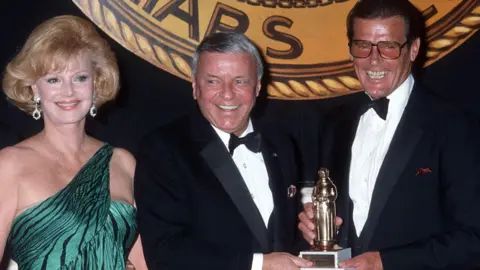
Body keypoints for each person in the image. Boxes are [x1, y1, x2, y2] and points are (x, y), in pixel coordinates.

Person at [298, 0, 480, 269]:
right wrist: (316, 228)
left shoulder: (455, 126)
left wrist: (386, 262)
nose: (374, 59)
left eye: (388, 47)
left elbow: (473, 239)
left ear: (413, 49)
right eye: (362, 46)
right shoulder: (334, 123)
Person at [134, 32, 311, 270]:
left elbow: (283, 238)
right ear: (195, 87)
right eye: (213, 81)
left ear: (258, 87)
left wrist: (310, 233)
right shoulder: (163, 149)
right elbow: (165, 253)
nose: (227, 94)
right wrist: (257, 265)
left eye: (240, 81)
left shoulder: (281, 143)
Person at [0, 15, 147, 269]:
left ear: (96, 82)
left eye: (80, 78)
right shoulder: (10, 164)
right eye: (53, 80)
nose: (68, 92)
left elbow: (142, 262)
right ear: (35, 88)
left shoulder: (122, 162)